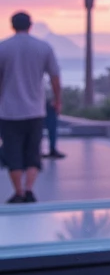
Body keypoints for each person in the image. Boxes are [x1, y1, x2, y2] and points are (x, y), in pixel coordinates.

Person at [0, 12, 61, 204]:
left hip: (8, 111)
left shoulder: (3, 48)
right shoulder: (43, 47)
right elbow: (55, 76)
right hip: (35, 110)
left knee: (13, 152)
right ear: (30, 25)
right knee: (33, 151)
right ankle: (29, 189)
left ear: (12, 25)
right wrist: (57, 99)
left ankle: (18, 192)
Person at [43, 79, 65, 159]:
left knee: (52, 129)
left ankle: (52, 149)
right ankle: (36, 151)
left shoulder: (49, 83)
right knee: (35, 130)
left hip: (49, 105)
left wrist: (57, 103)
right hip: (38, 105)